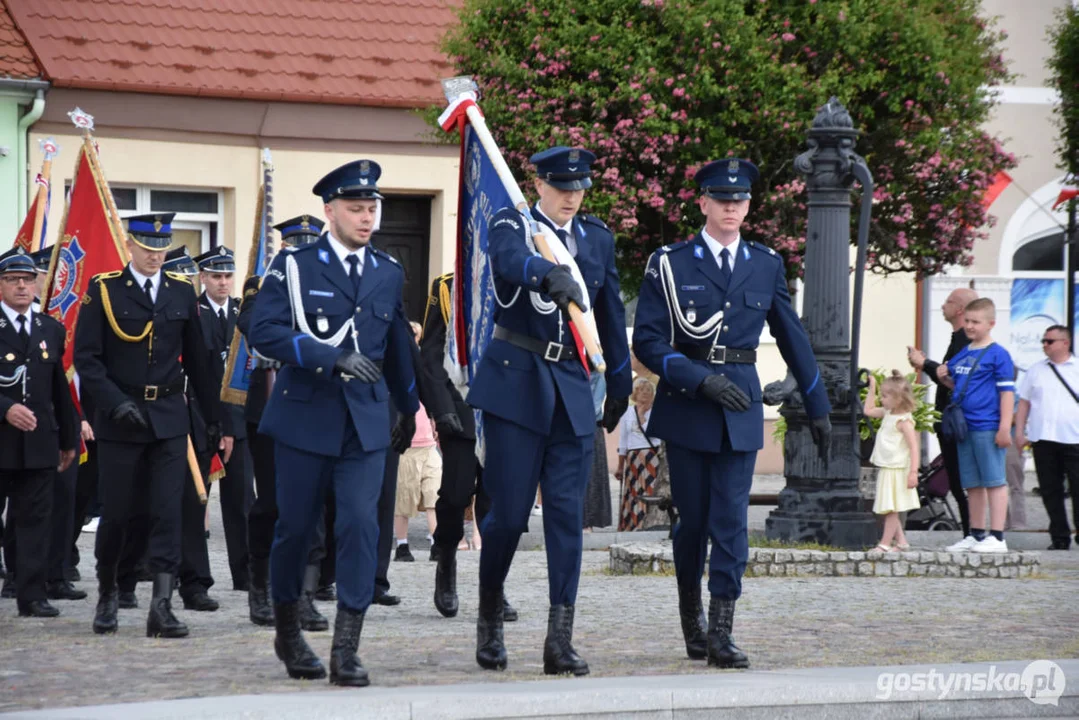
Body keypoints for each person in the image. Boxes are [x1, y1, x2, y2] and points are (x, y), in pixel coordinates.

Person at [632, 158, 832, 669]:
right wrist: (700, 379)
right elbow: (650, 340)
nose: (731, 207)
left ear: (748, 206)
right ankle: (691, 619)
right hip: (690, 400)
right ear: (702, 203)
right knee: (692, 523)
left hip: (741, 404)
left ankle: (723, 631)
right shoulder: (671, 262)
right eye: (721, 199)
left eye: (739, 200)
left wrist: (818, 404)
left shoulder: (765, 263)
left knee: (731, 522)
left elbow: (792, 334)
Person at [249, 159, 419, 686]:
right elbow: (264, 331)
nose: (367, 218)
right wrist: (328, 356)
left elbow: (395, 347)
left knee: (359, 526)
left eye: (372, 208)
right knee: (296, 528)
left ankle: (347, 647)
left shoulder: (387, 272)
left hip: (364, 423)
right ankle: (288, 630)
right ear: (330, 210)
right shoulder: (295, 266)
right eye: (356, 208)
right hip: (306, 418)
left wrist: (409, 408)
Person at [466, 145, 632, 676]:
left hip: (574, 387)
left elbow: (608, 314)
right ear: (538, 184)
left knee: (567, 517)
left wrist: (621, 382)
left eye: (579, 188)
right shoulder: (512, 223)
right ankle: (490, 606)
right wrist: (545, 271)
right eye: (561, 187)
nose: (571, 197)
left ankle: (559, 639)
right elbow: (508, 263)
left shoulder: (597, 238)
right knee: (510, 515)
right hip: (518, 381)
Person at [74, 212, 221, 638]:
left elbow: (198, 359)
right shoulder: (104, 290)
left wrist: (211, 419)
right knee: (120, 513)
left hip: (170, 417)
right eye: (149, 249)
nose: (156, 257)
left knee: (166, 513)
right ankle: (108, 592)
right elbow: (87, 358)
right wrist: (114, 403)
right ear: (130, 246)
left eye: (162, 249)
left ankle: (162, 605)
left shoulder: (180, 291)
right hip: (123, 420)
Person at [238, 214, 332, 627]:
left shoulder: (327, 284)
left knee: (314, 504)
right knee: (273, 503)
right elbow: (252, 325)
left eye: (309, 245)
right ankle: (259, 585)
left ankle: (305, 595)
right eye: (295, 245)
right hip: (270, 410)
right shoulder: (265, 286)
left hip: (316, 407)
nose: (302, 252)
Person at [418, 272, 512, 620]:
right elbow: (429, 357)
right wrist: (441, 409)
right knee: (456, 496)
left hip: (502, 409)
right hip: (461, 410)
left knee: (496, 503)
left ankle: (494, 588)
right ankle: (446, 561)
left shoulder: (513, 280)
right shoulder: (447, 287)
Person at [0, 247, 78, 617]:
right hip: (1, 440)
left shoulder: (50, 327)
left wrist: (68, 439)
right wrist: (5, 409)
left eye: (27, 280)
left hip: (39, 442)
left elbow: (58, 389)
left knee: (35, 520)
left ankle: (31, 595)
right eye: (12, 280)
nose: (20, 286)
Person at [193, 245, 253, 591]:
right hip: (199, 421)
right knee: (194, 501)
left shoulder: (243, 314)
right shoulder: (193, 312)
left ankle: (244, 576)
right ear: (203, 278)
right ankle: (196, 578)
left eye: (228, 275)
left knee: (241, 503)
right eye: (216, 276)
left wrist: (231, 426)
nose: (223, 282)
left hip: (238, 423)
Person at [938, 298, 1015, 553]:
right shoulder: (965, 350)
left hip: (987, 424)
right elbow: (959, 384)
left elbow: (1007, 393)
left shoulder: (998, 354)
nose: (970, 326)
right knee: (972, 482)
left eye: (975, 322)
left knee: (994, 480)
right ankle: (976, 533)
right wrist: (944, 377)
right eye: (968, 321)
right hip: (964, 426)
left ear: (990, 324)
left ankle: (998, 536)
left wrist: (1005, 427)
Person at [906, 287, 978, 537]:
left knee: (963, 481)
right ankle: (970, 532)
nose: (942, 305)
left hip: (959, 423)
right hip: (949, 422)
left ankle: (973, 532)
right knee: (957, 482)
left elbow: (951, 377)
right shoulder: (957, 338)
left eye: (948, 301)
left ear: (959, 309)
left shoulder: (965, 342)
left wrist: (923, 363)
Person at [1016, 324, 1079, 550]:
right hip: (1043, 438)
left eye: (1049, 341)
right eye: (1043, 341)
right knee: (1050, 490)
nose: (1045, 345)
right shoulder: (1036, 370)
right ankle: (1060, 536)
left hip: (1074, 439)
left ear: (1065, 343)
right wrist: (1019, 430)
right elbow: (1024, 402)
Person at [393, 324, 441, 562]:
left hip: (429, 444)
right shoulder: (398, 363)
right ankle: (402, 545)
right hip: (408, 446)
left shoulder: (424, 363)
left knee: (434, 496)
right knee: (404, 498)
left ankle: (436, 543)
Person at [863, 371, 920, 552]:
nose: (881, 399)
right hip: (888, 468)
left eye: (885, 396)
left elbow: (914, 448)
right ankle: (901, 543)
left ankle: (885, 544)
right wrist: (872, 388)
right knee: (889, 506)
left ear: (898, 399)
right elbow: (868, 410)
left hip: (898, 470)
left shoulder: (904, 422)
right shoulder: (888, 413)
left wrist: (913, 472)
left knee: (891, 509)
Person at [617, 378, 662, 531]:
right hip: (633, 458)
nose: (644, 393)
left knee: (650, 490)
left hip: (651, 457)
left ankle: (648, 524)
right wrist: (619, 465)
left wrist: (642, 416)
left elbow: (656, 436)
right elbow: (623, 441)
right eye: (641, 390)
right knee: (633, 492)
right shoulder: (628, 412)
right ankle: (632, 525)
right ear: (635, 393)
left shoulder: (657, 411)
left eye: (648, 390)